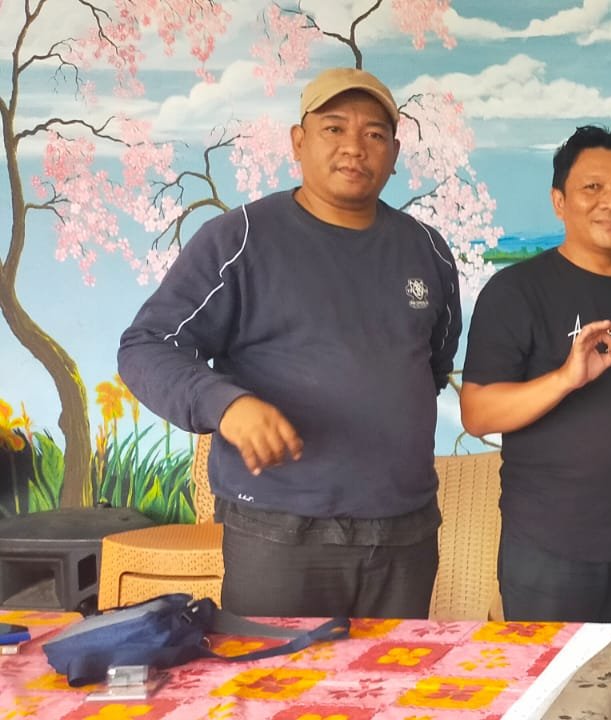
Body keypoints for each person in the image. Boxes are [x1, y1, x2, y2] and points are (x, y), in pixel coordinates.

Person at [118, 67, 462, 618]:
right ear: (298, 141)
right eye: (334, 128)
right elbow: (146, 345)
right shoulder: (239, 239)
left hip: (404, 530)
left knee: (391, 675)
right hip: (278, 531)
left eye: (374, 134)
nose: (354, 147)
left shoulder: (428, 249)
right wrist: (226, 404)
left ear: (394, 154)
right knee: (277, 676)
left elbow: (434, 362)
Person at [459, 126, 611, 630]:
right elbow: (477, 414)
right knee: (554, 680)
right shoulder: (515, 291)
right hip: (548, 551)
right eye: (592, 187)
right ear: (559, 201)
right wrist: (565, 379)